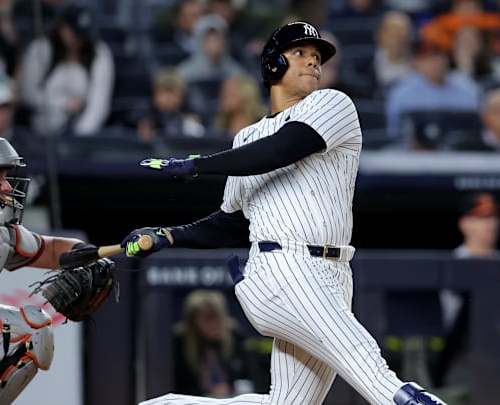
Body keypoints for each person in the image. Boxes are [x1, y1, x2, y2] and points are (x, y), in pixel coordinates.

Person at [122, 21, 448, 405]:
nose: (312, 63)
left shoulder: (333, 104)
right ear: (273, 65)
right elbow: (231, 220)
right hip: (283, 268)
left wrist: (200, 165)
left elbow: (282, 148)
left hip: (334, 275)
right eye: (300, 54)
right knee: (376, 375)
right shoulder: (244, 139)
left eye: (316, 57)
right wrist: (169, 235)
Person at [0, 130, 107, 403]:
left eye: (5, 177)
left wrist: (95, 256)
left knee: (34, 329)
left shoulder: (1, 235)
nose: (7, 187)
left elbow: (52, 249)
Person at [433, 192, 500, 405]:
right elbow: (461, 322)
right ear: (465, 224)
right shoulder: (456, 263)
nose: (491, 224)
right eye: (482, 218)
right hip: (465, 360)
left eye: (493, 217)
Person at [18, 3, 115, 137]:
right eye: (75, 34)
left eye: (83, 35)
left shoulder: (99, 53)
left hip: (80, 134)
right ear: (63, 28)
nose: (79, 40)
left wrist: (80, 136)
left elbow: (99, 106)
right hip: (38, 132)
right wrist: (64, 102)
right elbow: (27, 93)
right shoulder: (41, 48)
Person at [173, 290, 253, 397]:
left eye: (218, 317)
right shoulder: (179, 343)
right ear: (193, 322)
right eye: (208, 319)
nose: (215, 324)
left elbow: (247, 378)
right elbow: (180, 387)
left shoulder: (236, 337)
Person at [136, 67, 205, 142]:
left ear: (182, 96)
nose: (168, 99)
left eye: (173, 94)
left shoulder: (189, 113)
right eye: (163, 94)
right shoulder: (146, 115)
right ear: (155, 95)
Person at [213, 74, 265, 139]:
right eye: (223, 92)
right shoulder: (220, 127)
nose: (223, 97)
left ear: (246, 95)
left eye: (230, 93)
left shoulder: (262, 127)